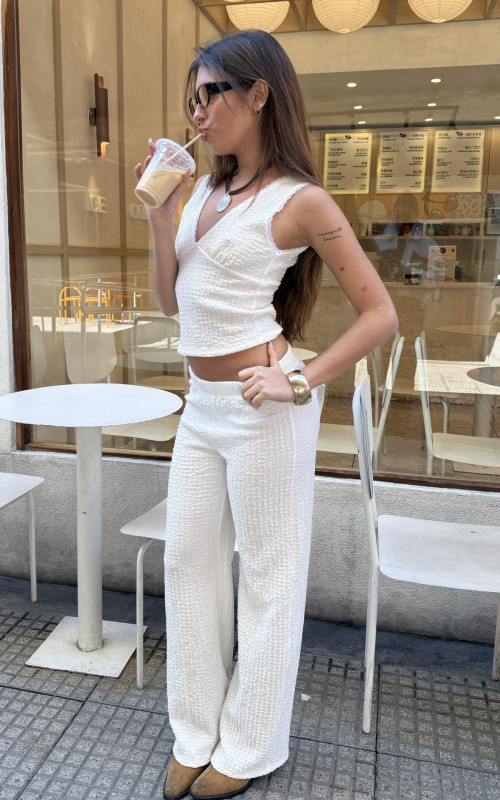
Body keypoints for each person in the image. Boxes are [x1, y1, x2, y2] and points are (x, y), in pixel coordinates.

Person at [134, 30, 398, 800]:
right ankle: (195, 731)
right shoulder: (204, 194)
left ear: (258, 95)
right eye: (192, 98)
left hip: (263, 406)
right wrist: (161, 220)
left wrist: (301, 380)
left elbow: (379, 314)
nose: (197, 110)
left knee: (269, 575)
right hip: (203, 408)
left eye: (211, 93)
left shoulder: (299, 200)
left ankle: (250, 745)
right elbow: (170, 303)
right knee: (188, 563)